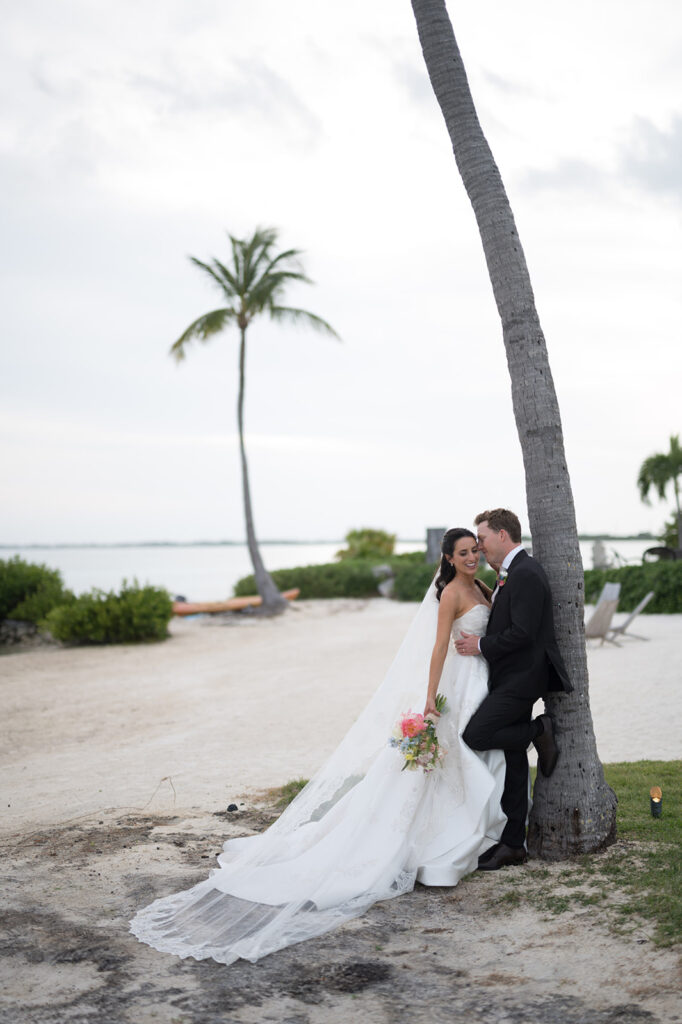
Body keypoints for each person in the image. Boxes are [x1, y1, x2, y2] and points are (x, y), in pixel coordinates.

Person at [130, 528, 507, 966]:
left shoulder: (479, 586)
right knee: (444, 762)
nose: (472, 558)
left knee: (466, 757)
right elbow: (439, 645)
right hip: (453, 685)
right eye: (464, 553)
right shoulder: (449, 595)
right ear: (447, 557)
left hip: (476, 681)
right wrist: (428, 698)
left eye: (475, 551)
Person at [456, 509, 572, 872]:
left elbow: (522, 632)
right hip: (512, 677)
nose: (479, 546)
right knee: (514, 760)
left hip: (522, 679)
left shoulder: (525, 573)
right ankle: (513, 844)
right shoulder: (511, 572)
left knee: (476, 734)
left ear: (503, 535)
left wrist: (481, 646)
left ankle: (539, 730)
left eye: (483, 538)